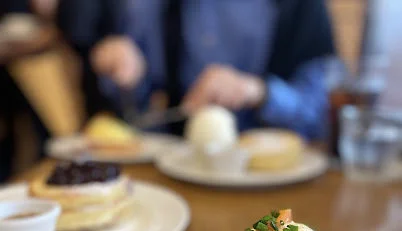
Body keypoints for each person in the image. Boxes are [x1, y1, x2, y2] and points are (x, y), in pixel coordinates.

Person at [57, 0, 335, 139]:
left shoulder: (296, 7)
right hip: (161, 175)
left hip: (263, 180)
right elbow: (131, 114)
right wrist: (123, 76)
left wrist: (258, 91)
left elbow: (325, 112)